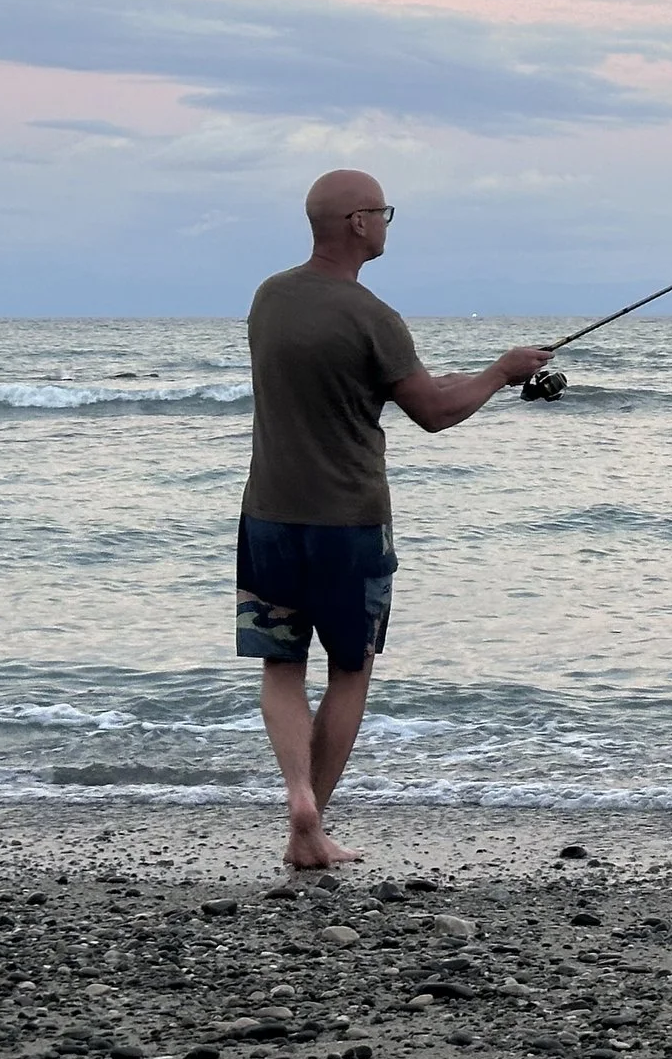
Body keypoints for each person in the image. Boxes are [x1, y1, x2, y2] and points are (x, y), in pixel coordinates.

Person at [237, 168, 553, 868]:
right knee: (350, 668)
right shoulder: (372, 315)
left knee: (281, 665)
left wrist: (471, 375)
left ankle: (297, 795)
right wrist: (500, 372)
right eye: (383, 211)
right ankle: (311, 825)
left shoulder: (269, 297)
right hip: (349, 521)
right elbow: (433, 413)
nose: (386, 222)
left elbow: (365, 387)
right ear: (358, 222)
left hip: (268, 516)